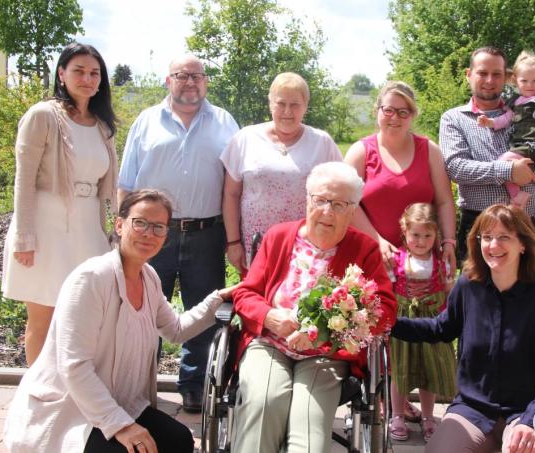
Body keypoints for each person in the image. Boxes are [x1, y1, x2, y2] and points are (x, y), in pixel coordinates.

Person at [3, 189, 236, 453]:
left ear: (165, 236)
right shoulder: (91, 279)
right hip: (70, 410)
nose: (149, 233)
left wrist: (218, 298)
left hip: (121, 403)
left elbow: (175, 329)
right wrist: (121, 426)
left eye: (158, 227)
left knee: (178, 440)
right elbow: (74, 366)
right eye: (140, 223)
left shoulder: (148, 278)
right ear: (120, 224)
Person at [229, 162, 397, 453]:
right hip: (270, 344)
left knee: (309, 431)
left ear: (353, 209)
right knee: (264, 402)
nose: (327, 211)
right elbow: (246, 293)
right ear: (307, 200)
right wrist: (269, 316)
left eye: (339, 204)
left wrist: (323, 331)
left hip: (326, 355)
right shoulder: (279, 236)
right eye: (320, 200)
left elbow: (384, 311)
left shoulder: (365, 249)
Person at [392, 204, 535, 453]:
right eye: (487, 237)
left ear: (522, 244)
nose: (493, 245)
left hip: (529, 409)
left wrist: (533, 420)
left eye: (504, 237)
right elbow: (441, 328)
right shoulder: (468, 286)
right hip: (473, 409)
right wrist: (388, 324)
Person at [118, 55, 239, 413]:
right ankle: (138, 385)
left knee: (202, 313)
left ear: (206, 82)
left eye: (197, 75)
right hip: (151, 234)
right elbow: (126, 183)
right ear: (167, 80)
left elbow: (236, 184)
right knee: (139, 311)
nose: (190, 82)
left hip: (206, 233)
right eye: (182, 75)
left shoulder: (224, 123)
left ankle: (193, 385)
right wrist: (121, 229)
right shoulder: (145, 122)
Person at [344, 80, 457, 425]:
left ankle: (408, 403)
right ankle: (379, 400)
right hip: (374, 257)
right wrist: (377, 238)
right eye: (388, 109)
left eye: (403, 111)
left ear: (412, 115)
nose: (394, 117)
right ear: (378, 111)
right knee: (376, 332)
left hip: (422, 264)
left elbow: (443, 200)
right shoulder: (362, 152)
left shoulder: (429, 150)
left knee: (417, 336)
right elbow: (348, 202)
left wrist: (449, 242)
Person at [1, 42, 118, 366]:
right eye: (79, 70)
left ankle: (73, 396)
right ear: (62, 74)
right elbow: (23, 181)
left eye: (94, 73)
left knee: (82, 317)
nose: (87, 78)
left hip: (87, 230)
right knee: (44, 316)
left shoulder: (103, 126)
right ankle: (39, 396)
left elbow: (105, 190)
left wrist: (109, 232)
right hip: (45, 226)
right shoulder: (42, 116)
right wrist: (25, 238)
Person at [439, 46, 535, 263]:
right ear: (468, 74)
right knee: (477, 294)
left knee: (527, 294)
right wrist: (509, 171)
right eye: (482, 73)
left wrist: (533, 171)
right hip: (479, 225)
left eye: (497, 74)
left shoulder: (531, 111)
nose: (489, 80)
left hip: (528, 226)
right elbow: (457, 168)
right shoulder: (454, 119)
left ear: (507, 77)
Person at [221, 72, 342, 275]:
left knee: (301, 301)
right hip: (256, 245)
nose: (287, 111)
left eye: (295, 104)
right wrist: (233, 242)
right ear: (270, 104)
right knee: (256, 303)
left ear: (305, 106)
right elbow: (231, 195)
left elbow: (340, 195)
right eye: (280, 103)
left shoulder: (322, 142)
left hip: (307, 246)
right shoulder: (245, 138)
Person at [478, 50, 535, 241]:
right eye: (524, 81)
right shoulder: (515, 102)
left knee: (506, 163)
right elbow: (506, 119)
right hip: (527, 149)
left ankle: (518, 196)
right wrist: (491, 123)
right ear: (515, 80)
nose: (530, 86)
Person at [388, 203, 457, 443]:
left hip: (431, 324)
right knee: (400, 370)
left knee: (429, 371)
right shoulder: (396, 259)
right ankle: (397, 415)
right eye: (415, 234)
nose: (421, 240)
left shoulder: (441, 262)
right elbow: (388, 289)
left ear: (436, 234)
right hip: (404, 324)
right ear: (404, 231)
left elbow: (449, 292)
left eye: (428, 235)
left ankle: (428, 417)